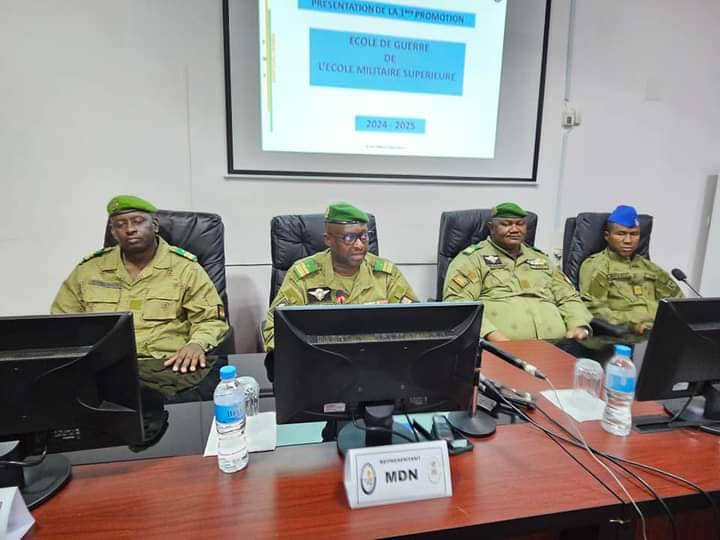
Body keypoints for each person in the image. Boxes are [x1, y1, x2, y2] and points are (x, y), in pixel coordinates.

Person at [51, 195, 229, 399]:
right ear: (113, 232)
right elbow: (62, 322)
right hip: (102, 370)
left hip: (168, 371)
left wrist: (196, 344)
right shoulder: (89, 270)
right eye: (120, 224)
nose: (130, 229)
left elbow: (210, 319)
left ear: (154, 226)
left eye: (137, 221)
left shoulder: (185, 268)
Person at [262, 201, 418, 353]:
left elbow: (416, 324)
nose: (359, 245)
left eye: (363, 236)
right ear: (328, 239)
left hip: (376, 362)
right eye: (349, 238)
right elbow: (274, 330)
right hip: (320, 365)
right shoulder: (303, 276)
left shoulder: (386, 274)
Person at [443, 202, 592, 343]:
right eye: (506, 224)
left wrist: (579, 325)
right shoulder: (472, 259)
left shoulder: (541, 259)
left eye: (520, 224)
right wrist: (494, 337)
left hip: (558, 345)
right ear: (491, 227)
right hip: (498, 348)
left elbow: (569, 296)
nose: (515, 229)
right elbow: (459, 303)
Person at [579, 205, 683, 335]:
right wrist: (633, 324)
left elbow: (678, 303)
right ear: (607, 236)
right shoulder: (597, 266)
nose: (628, 241)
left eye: (634, 234)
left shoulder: (650, 268)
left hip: (658, 333)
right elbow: (595, 310)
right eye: (621, 234)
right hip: (622, 335)